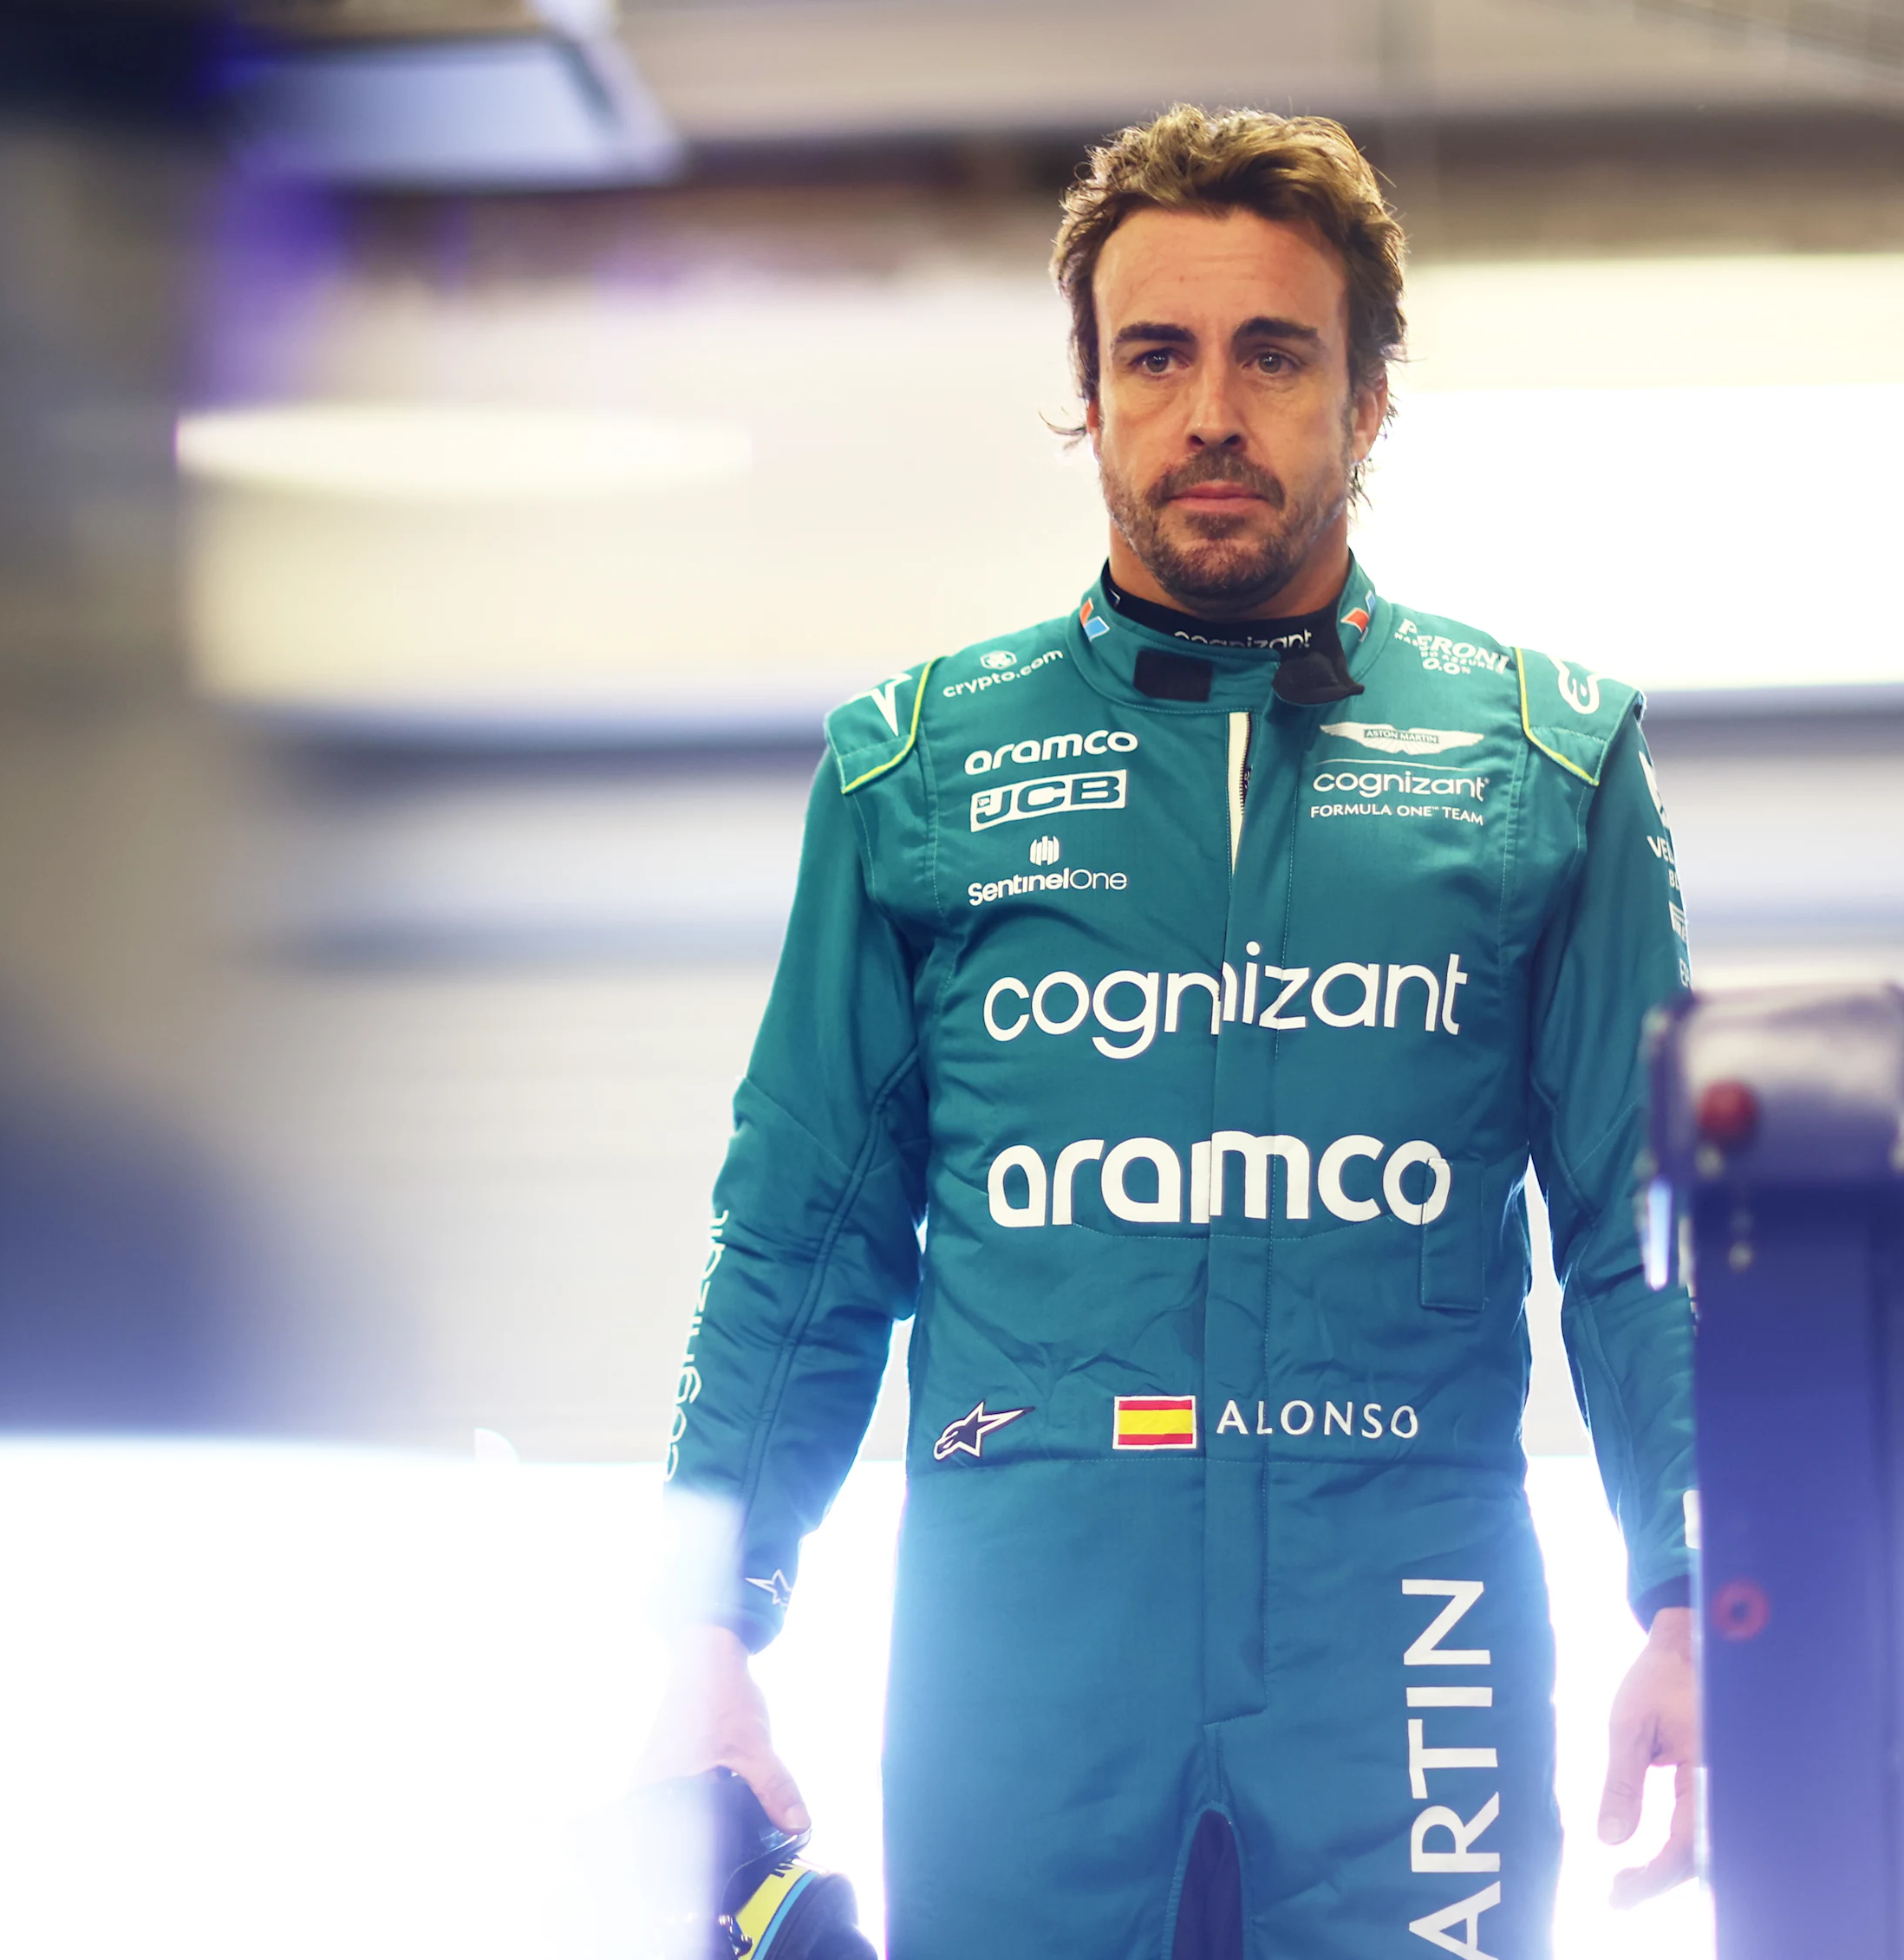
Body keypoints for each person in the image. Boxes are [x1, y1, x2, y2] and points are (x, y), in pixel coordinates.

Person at [637, 107, 1699, 1960]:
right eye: (1157, 354)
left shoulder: (1547, 764)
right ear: (1092, 394)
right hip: (1026, 1642)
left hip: (1410, 1628)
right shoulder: (914, 767)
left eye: (1273, 353)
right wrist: (698, 1618)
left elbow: (1647, 1234)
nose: (1212, 409)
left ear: (1367, 400)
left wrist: (1706, 1594)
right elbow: (800, 1231)